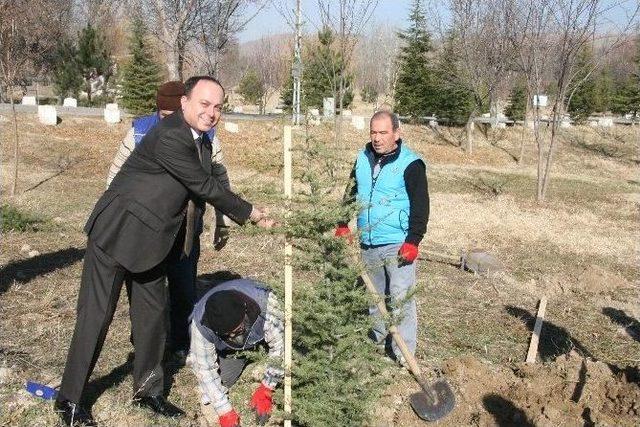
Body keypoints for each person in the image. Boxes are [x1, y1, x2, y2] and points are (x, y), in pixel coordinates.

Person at [54, 76, 275, 426]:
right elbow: (203, 185)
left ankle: (148, 391)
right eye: (204, 104)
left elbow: (212, 183)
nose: (211, 112)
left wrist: (224, 218)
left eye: (218, 106)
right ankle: (70, 399)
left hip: (153, 243)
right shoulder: (171, 135)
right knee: (96, 317)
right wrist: (250, 212)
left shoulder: (201, 141)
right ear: (184, 103)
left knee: (152, 319)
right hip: (116, 235)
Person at [106, 81, 232, 355]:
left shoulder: (206, 135)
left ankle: (180, 341)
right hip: (144, 228)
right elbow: (116, 175)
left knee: (183, 286)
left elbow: (220, 181)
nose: (169, 121)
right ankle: (143, 342)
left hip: (185, 228)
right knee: (144, 291)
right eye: (163, 115)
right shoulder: (140, 132)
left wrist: (221, 221)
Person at [335, 111, 429, 365]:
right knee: (374, 298)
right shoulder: (362, 158)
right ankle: (377, 343)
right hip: (368, 241)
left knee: (400, 299)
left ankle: (403, 355)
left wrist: (413, 240)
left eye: (383, 133)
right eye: (373, 132)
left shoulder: (411, 164)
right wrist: (343, 222)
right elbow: (350, 192)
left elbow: (421, 206)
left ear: (396, 134)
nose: (377, 138)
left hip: (398, 243)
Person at [189, 278, 284, 427]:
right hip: (229, 350)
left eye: (237, 330)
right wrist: (224, 412)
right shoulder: (201, 325)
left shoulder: (266, 304)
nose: (234, 336)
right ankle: (241, 353)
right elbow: (205, 369)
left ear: (245, 310)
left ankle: (259, 349)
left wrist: (267, 387)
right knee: (223, 379)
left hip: (262, 334)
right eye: (228, 335)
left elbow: (280, 347)